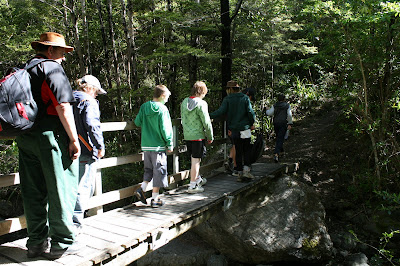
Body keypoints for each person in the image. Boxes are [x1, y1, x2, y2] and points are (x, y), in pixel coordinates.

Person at [16, 32, 80, 259]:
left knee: (32, 191)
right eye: (62, 53)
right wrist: (73, 139)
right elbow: (63, 106)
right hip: (50, 135)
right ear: (50, 50)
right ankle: (62, 243)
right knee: (60, 187)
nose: (64, 58)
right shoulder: (51, 68)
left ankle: (36, 243)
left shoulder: (24, 69)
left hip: (24, 136)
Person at [72, 75, 107, 232]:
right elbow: (92, 125)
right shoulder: (88, 101)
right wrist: (100, 146)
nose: (97, 95)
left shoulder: (68, 98)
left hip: (69, 149)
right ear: (90, 88)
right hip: (85, 149)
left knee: (70, 187)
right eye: (97, 92)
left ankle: (65, 224)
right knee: (83, 187)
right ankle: (75, 225)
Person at [134, 85, 173, 207]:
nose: (167, 100)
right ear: (162, 96)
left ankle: (142, 188)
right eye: (167, 97)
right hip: (158, 146)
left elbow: (137, 122)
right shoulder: (163, 109)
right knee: (159, 171)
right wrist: (169, 143)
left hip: (146, 146)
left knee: (149, 170)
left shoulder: (144, 106)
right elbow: (166, 129)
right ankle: (155, 199)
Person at [210, 81, 256, 182]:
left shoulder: (227, 99)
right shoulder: (244, 98)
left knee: (238, 150)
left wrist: (208, 115)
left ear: (229, 89)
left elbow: (220, 111)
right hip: (245, 128)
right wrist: (252, 122)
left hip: (234, 129)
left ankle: (239, 173)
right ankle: (246, 171)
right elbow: (250, 112)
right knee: (246, 150)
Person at [181, 81, 213, 193]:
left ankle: (198, 178)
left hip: (187, 135)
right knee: (196, 160)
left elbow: (183, 119)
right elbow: (206, 122)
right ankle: (193, 185)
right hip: (198, 136)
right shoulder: (202, 104)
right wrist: (210, 136)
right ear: (202, 92)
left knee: (193, 158)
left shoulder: (184, 102)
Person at [225, 87, 256, 174]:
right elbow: (249, 114)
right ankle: (238, 168)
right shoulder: (243, 100)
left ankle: (235, 166)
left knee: (237, 146)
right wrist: (251, 124)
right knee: (242, 148)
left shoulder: (233, 99)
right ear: (248, 94)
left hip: (234, 127)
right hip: (241, 128)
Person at [266, 94, 293, 163]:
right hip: (283, 123)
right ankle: (276, 153)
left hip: (276, 123)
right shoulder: (287, 106)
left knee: (279, 137)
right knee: (280, 138)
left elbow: (269, 113)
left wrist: (267, 110)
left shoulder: (275, 105)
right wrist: (290, 123)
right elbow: (289, 115)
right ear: (284, 99)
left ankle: (281, 151)